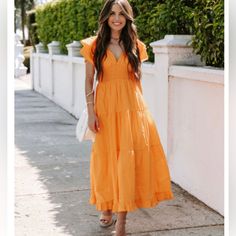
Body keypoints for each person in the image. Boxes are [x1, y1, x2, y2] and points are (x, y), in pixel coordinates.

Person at [79, 0, 174, 235]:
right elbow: (89, 81)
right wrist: (91, 112)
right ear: (105, 17)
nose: (117, 18)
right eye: (112, 13)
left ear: (128, 17)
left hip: (132, 108)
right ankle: (106, 206)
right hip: (106, 108)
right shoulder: (93, 45)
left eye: (121, 13)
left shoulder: (136, 45)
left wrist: (141, 116)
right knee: (107, 159)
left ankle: (121, 221)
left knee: (127, 161)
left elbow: (136, 82)